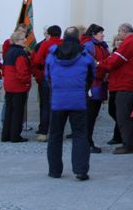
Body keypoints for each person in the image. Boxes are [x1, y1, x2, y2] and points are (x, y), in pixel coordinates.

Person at [45, 26, 96, 181]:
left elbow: (47, 76)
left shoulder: (53, 55)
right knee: (80, 135)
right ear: (78, 38)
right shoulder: (85, 55)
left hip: (58, 100)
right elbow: (91, 75)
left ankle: (54, 170)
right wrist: (85, 88)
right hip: (78, 99)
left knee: (55, 135)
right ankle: (80, 170)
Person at [98, 23, 133, 154]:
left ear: (124, 31)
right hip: (129, 83)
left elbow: (114, 62)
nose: (118, 35)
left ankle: (128, 145)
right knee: (125, 115)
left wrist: (98, 63)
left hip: (126, 84)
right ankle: (130, 142)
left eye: (119, 32)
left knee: (123, 116)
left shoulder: (129, 43)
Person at [81, 24, 110, 153]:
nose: (103, 35)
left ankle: (88, 140)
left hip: (99, 83)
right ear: (93, 34)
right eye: (100, 33)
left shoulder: (101, 46)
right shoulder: (89, 46)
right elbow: (88, 63)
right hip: (93, 84)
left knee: (93, 115)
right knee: (89, 115)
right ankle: (86, 142)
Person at [32, 25, 62, 142]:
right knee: (59, 106)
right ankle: (57, 132)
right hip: (61, 78)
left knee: (45, 105)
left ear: (49, 34)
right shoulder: (64, 43)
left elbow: (37, 60)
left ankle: (44, 132)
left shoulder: (46, 44)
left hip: (48, 77)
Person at [1, 31, 32, 143]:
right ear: (17, 41)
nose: (25, 40)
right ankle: (15, 135)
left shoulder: (9, 51)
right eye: (23, 39)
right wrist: (27, 81)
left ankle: (6, 135)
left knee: (9, 110)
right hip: (18, 85)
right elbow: (22, 71)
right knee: (18, 111)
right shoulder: (20, 53)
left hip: (9, 84)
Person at [106, 34, 124, 146]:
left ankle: (118, 135)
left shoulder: (119, 53)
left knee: (116, 111)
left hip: (118, 84)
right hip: (112, 83)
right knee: (112, 110)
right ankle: (122, 131)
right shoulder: (113, 52)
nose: (119, 41)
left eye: (121, 39)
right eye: (117, 39)